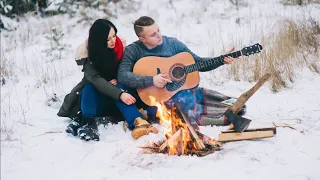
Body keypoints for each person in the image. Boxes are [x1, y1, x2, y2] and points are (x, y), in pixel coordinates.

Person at [117, 16, 246, 130]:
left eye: (158, 30)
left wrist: (221, 59)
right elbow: (122, 75)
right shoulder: (133, 50)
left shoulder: (173, 44)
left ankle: (223, 112)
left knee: (209, 98)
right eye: (153, 35)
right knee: (184, 104)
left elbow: (198, 62)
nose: (159, 35)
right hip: (155, 99)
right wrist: (152, 80)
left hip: (179, 92)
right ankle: (219, 118)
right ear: (142, 38)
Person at [57, 19, 158, 141]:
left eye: (114, 36)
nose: (113, 40)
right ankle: (88, 123)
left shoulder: (121, 48)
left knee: (121, 85)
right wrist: (118, 93)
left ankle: (138, 122)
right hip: (97, 101)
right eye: (108, 39)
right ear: (99, 41)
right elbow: (96, 80)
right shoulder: (88, 56)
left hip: (121, 97)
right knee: (89, 87)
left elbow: (128, 72)